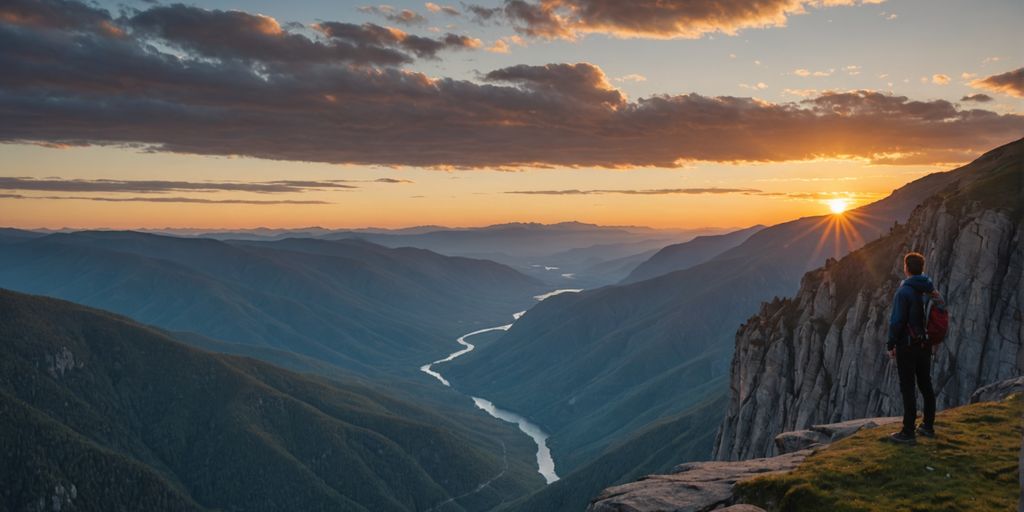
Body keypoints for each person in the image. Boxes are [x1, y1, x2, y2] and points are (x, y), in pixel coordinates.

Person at [886, 252, 941, 445]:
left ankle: (908, 432)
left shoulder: (904, 292)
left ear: (906, 268)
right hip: (925, 345)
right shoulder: (930, 289)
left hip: (907, 346)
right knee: (926, 384)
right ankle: (928, 425)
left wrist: (891, 344)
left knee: (908, 388)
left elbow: (897, 321)